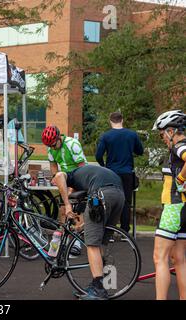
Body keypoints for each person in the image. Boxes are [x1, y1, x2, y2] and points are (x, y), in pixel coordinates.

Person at [53, 165, 125, 300]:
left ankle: (98, 289)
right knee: (101, 242)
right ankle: (100, 284)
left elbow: (58, 176)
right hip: (119, 195)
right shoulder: (89, 174)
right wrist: (84, 225)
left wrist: (67, 204)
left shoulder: (71, 175)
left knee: (91, 244)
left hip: (101, 195)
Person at [152, 110, 186, 300]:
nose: (162, 138)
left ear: (171, 131)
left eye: (162, 134)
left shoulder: (178, 147)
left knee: (160, 257)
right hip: (184, 209)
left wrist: (180, 177)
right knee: (179, 259)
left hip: (173, 207)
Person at [95, 112, 144, 233]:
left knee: (110, 201)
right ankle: (124, 231)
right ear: (122, 120)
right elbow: (140, 151)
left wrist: (104, 166)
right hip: (127, 172)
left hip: (111, 173)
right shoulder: (132, 135)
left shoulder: (105, 136)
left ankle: (110, 232)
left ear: (110, 121)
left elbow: (98, 155)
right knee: (126, 202)